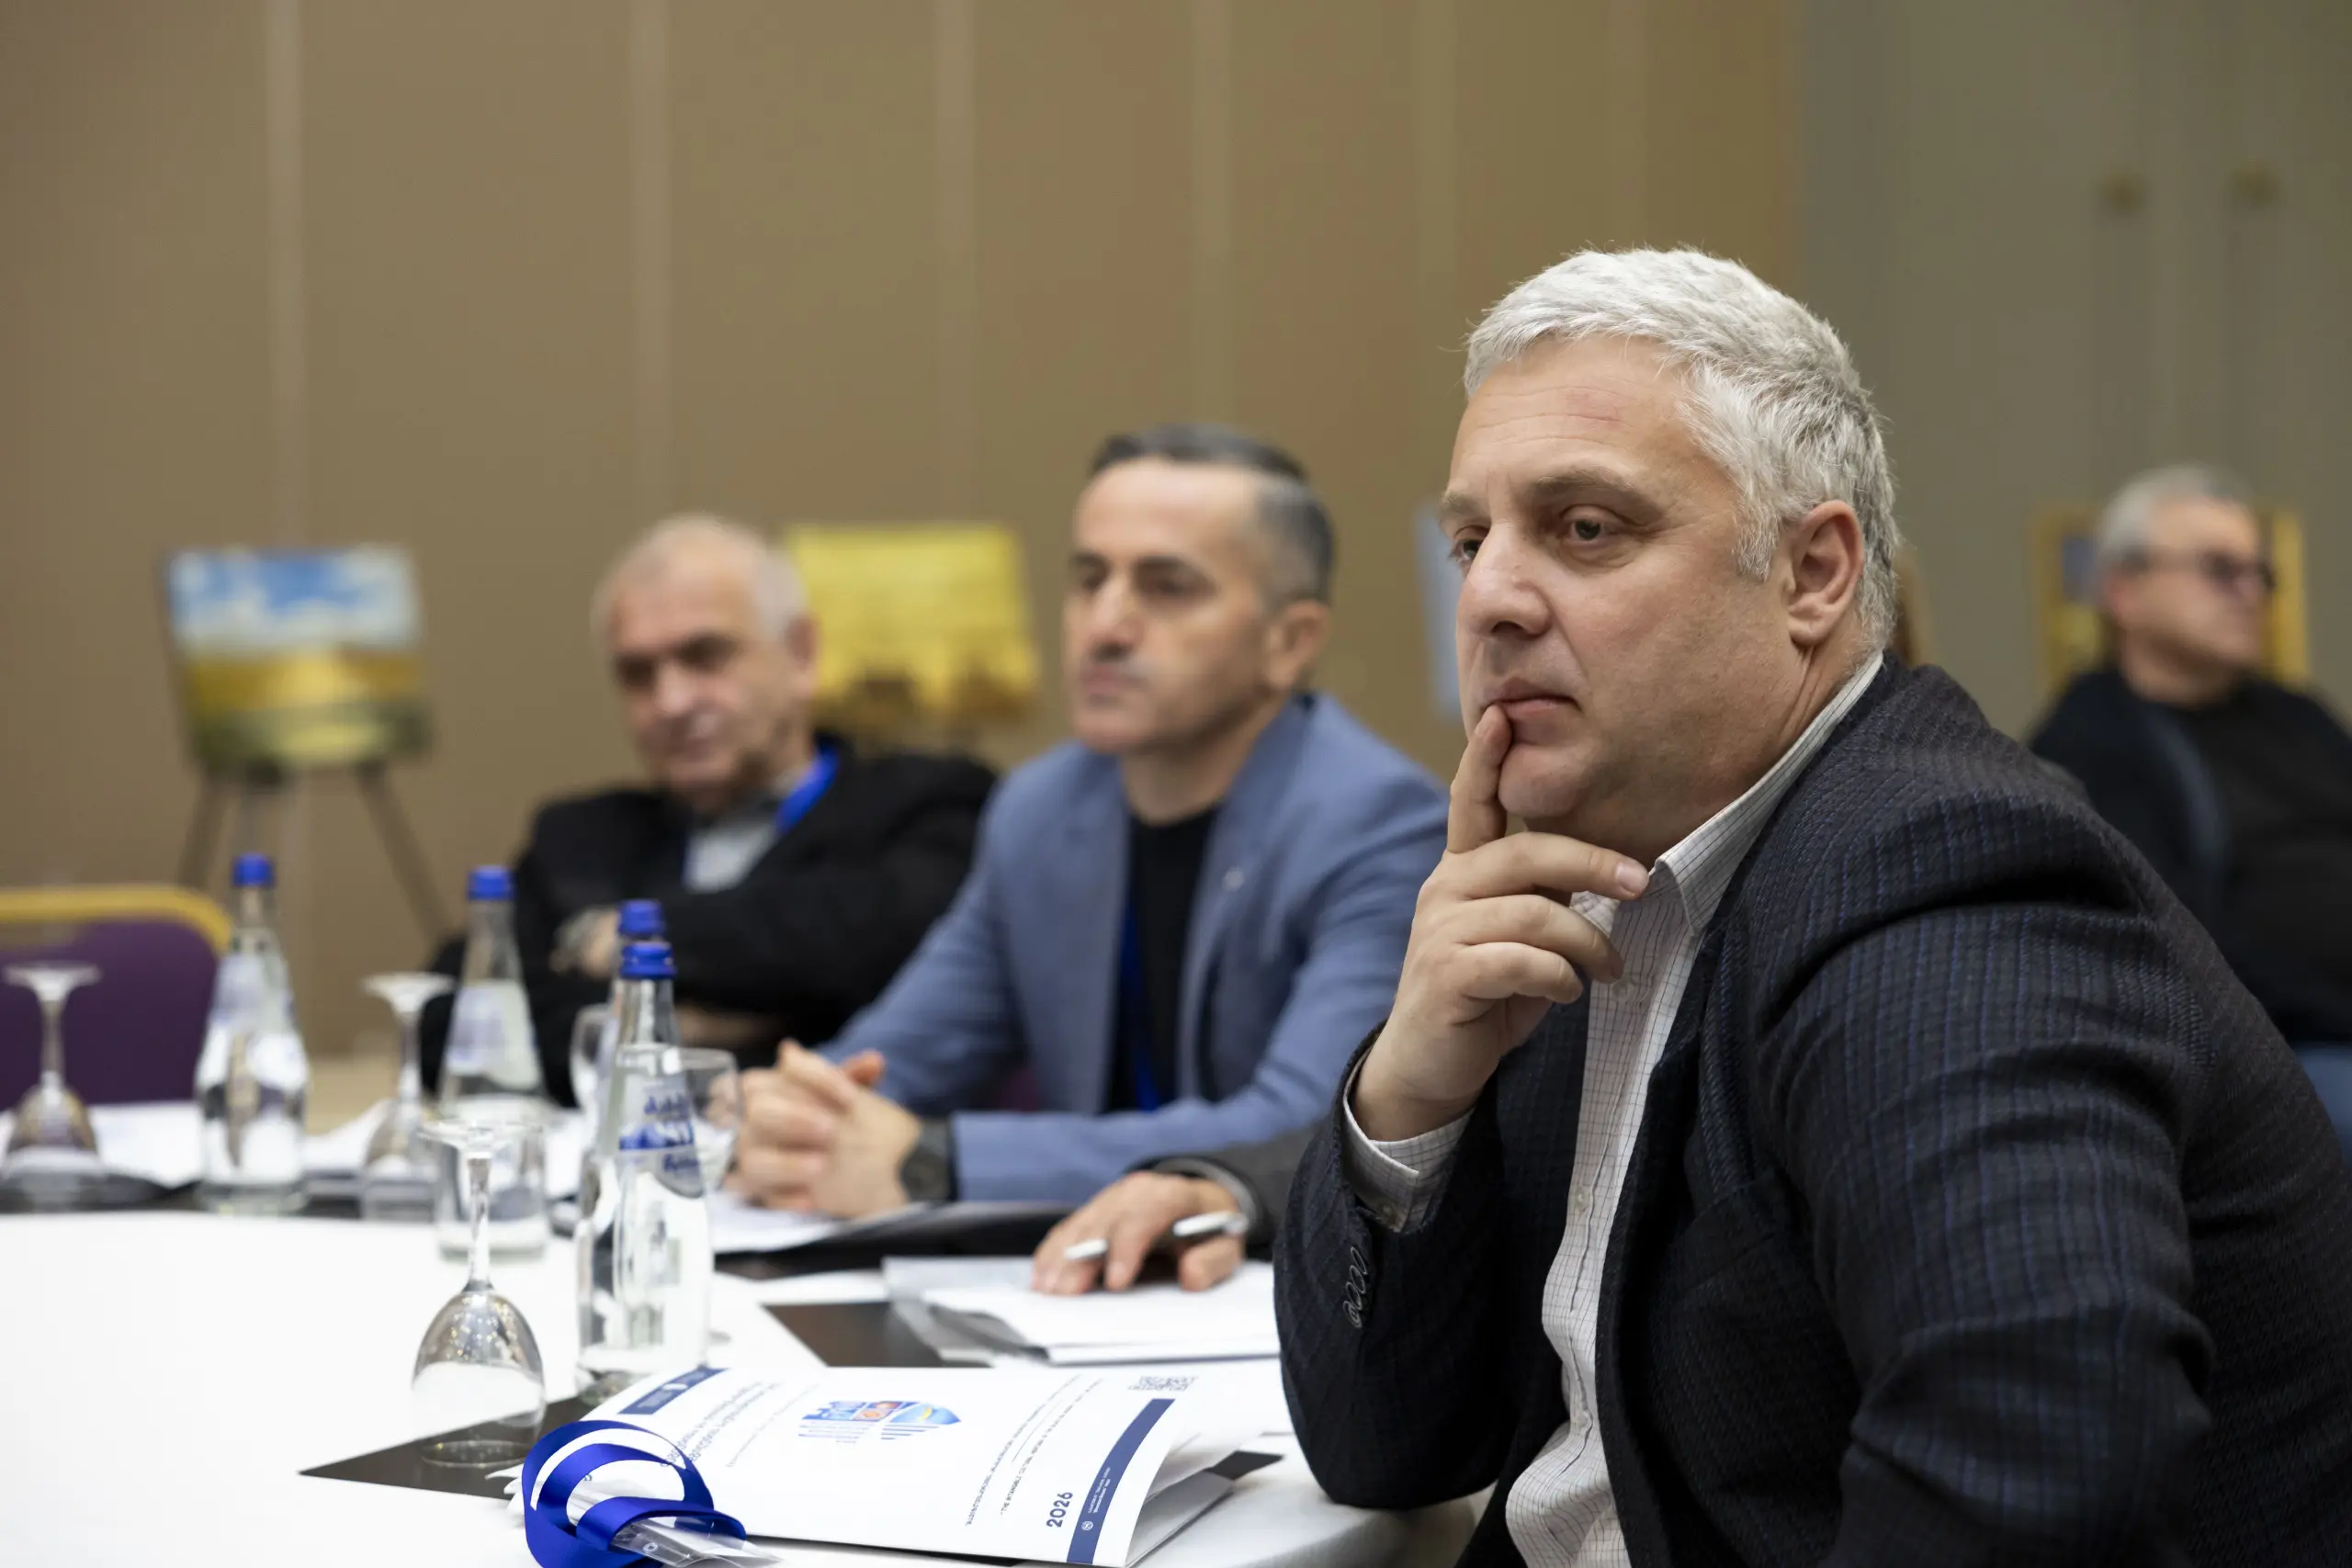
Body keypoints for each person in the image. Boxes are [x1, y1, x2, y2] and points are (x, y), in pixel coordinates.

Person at [1277, 250, 2352, 1567]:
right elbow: (1382, 1448)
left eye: (1586, 528)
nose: (1489, 597)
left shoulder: (1946, 877)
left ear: (1812, 573)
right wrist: (1412, 1095)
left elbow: (2038, 1479)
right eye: (1470, 539)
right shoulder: (1580, 875)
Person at [730, 424, 1448, 1213]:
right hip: (1078, 1270)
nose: (1104, 625)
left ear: (1289, 642)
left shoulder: (1380, 824)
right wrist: (795, 1115)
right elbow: (899, 1058)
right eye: (1088, 579)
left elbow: (1306, 1129)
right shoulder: (1040, 810)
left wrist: (939, 1161)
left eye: (1167, 587)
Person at [422, 514, 994, 1100]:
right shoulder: (580, 839)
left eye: (706, 656)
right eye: (638, 674)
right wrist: (688, 1030)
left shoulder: (928, 804)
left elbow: (876, 951)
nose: (671, 702)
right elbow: (446, 1015)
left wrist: (621, 940)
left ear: (801, 654)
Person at [2030, 466, 2352, 1161]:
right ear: (2124, 590)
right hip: (2281, 1050)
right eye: (2219, 569)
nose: (2251, 592)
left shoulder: (2297, 715)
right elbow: (2175, 948)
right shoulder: (2090, 742)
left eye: (2260, 573)